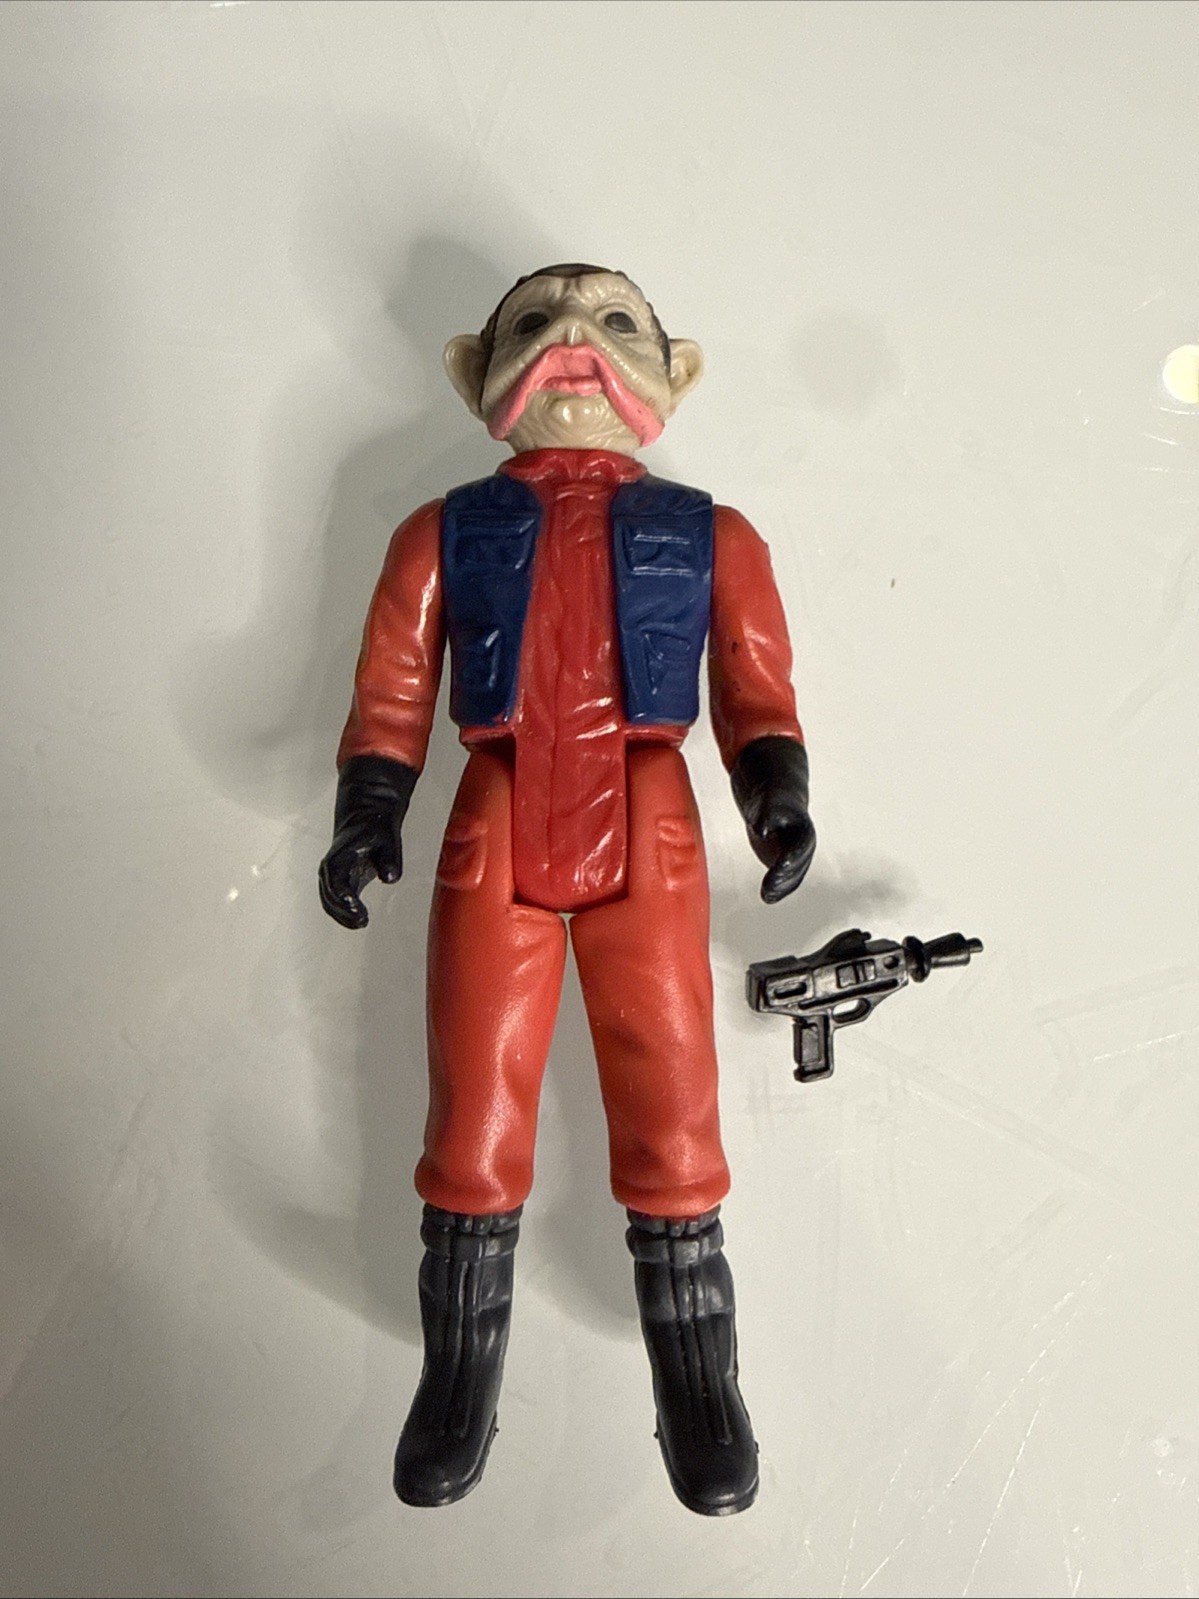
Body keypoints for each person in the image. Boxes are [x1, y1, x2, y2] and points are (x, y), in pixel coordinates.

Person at [319, 264, 815, 1516]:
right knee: (473, 1100)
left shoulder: (713, 536)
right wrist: (368, 810)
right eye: (535, 323)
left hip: (650, 826)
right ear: (471, 373)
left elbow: (754, 686)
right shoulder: (440, 534)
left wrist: (775, 794)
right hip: (494, 821)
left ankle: (699, 1385)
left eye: (614, 323)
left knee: (671, 1091)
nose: (574, 343)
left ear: (673, 375)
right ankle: (456, 1382)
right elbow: (392, 690)